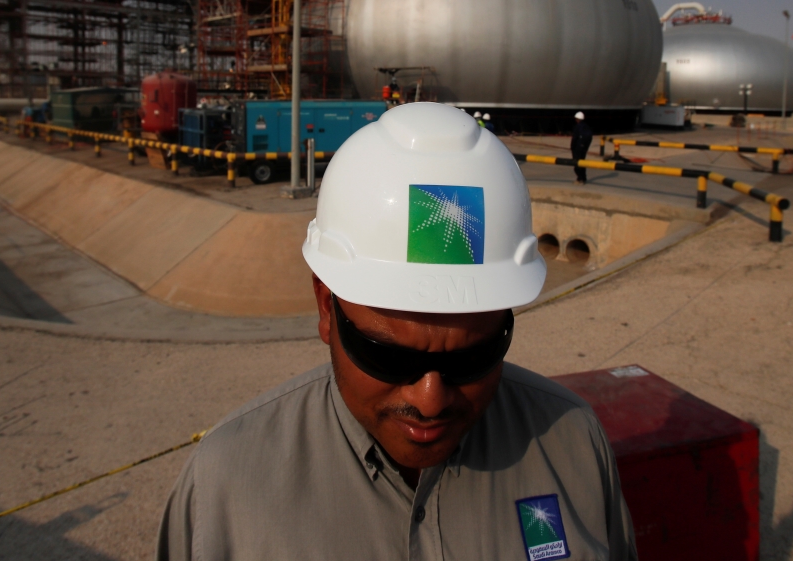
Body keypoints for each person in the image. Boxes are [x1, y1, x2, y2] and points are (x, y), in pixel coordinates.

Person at [157, 103, 637, 561]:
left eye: (472, 359)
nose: (430, 400)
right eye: (387, 357)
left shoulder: (574, 446)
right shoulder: (224, 486)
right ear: (326, 308)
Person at [571, 111, 593, 184]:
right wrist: (585, 147)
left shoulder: (577, 127)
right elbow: (590, 138)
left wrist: (572, 147)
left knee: (576, 163)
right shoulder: (587, 127)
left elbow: (575, 138)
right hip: (584, 148)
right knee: (582, 162)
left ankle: (580, 179)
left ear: (577, 119)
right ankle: (584, 178)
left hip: (577, 148)